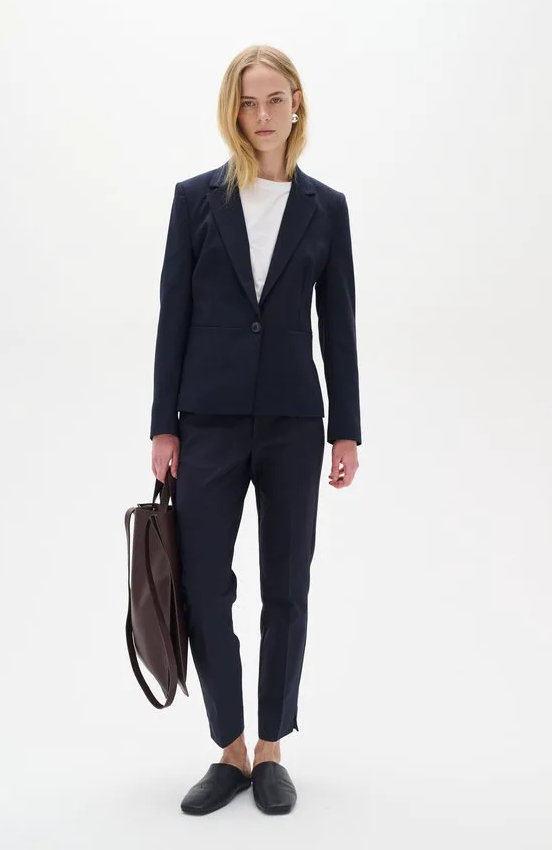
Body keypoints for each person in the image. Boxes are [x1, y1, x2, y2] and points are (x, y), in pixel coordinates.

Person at [150, 44, 362, 816]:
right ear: (232, 110)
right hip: (204, 420)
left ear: (296, 103)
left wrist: (347, 429)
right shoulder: (195, 200)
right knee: (204, 584)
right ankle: (229, 748)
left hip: (293, 423)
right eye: (248, 101)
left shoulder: (326, 208)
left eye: (275, 99)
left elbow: (338, 324)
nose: (262, 115)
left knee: (287, 586)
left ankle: (272, 747)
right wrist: (163, 425)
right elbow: (174, 315)